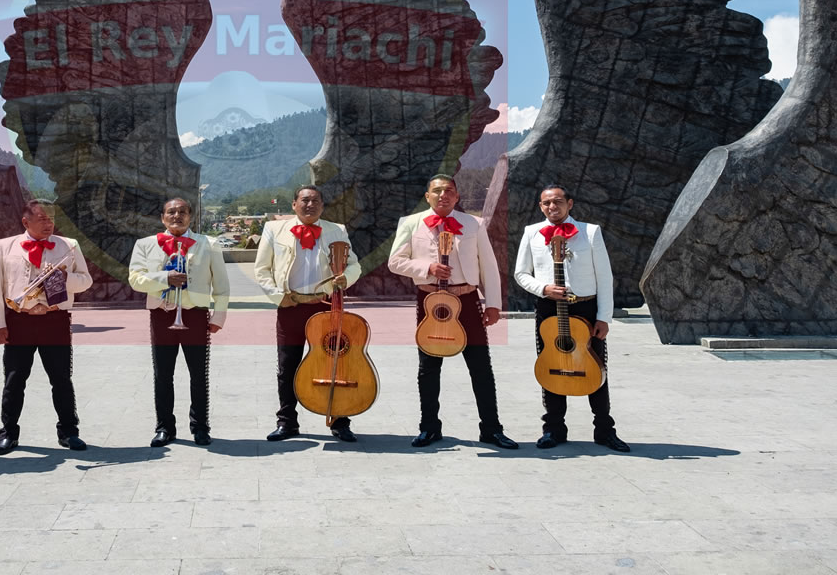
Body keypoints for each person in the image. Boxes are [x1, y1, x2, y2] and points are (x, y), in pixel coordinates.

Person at [387, 175, 522, 450]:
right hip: (430, 301)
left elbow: (488, 264)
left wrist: (493, 303)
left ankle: (491, 429)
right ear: (427, 196)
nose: (443, 195)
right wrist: (427, 268)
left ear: (457, 197)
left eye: (449, 191)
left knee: (481, 367)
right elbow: (395, 262)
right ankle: (429, 428)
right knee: (428, 369)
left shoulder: (473, 223)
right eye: (436, 191)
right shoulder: (411, 223)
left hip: (467, 300)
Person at [513, 184, 630, 452]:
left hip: (585, 310)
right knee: (551, 366)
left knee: (595, 368)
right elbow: (521, 274)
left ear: (570, 203)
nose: (552, 207)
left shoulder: (590, 232)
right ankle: (553, 429)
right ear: (540, 206)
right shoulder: (532, 232)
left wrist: (604, 317)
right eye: (546, 203)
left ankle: (604, 430)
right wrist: (543, 288)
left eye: (557, 202)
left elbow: (604, 277)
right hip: (549, 309)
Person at [253, 184, 363, 441]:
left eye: (315, 201)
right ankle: (287, 422)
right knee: (287, 365)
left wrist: (345, 278)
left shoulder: (337, 230)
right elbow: (262, 270)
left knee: (334, 362)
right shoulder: (274, 229)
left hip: (326, 308)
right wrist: (280, 297)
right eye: (304, 200)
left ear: (322, 206)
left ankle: (339, 420)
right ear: (294, 204)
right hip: (290, 306)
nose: (309, 205)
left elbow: (354, 264)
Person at [0, 198, 94, 454]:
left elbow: (86, 280)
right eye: (42, 218)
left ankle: (69, 431)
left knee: (61, 379)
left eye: (51, 218)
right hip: (18, 320)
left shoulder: (68, 245)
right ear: (26, 221)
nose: (49, 223)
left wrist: (63, 278)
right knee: (14, 380)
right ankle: (8, 433)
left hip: (54, 319)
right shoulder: (4, 246)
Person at [127, 197, 231, 446]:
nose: (177, 216)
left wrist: (218, 316)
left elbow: (222, 285)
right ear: (162, 217)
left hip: (195, 314)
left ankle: (200, 427)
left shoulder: (209, 244)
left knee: (199, 374)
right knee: (163, 374)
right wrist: (164, 278)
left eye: (182, 212)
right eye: (171, 212)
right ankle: (164, 427)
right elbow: (135, 279)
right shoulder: (145, 244)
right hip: (162, 315)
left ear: (191, 216)